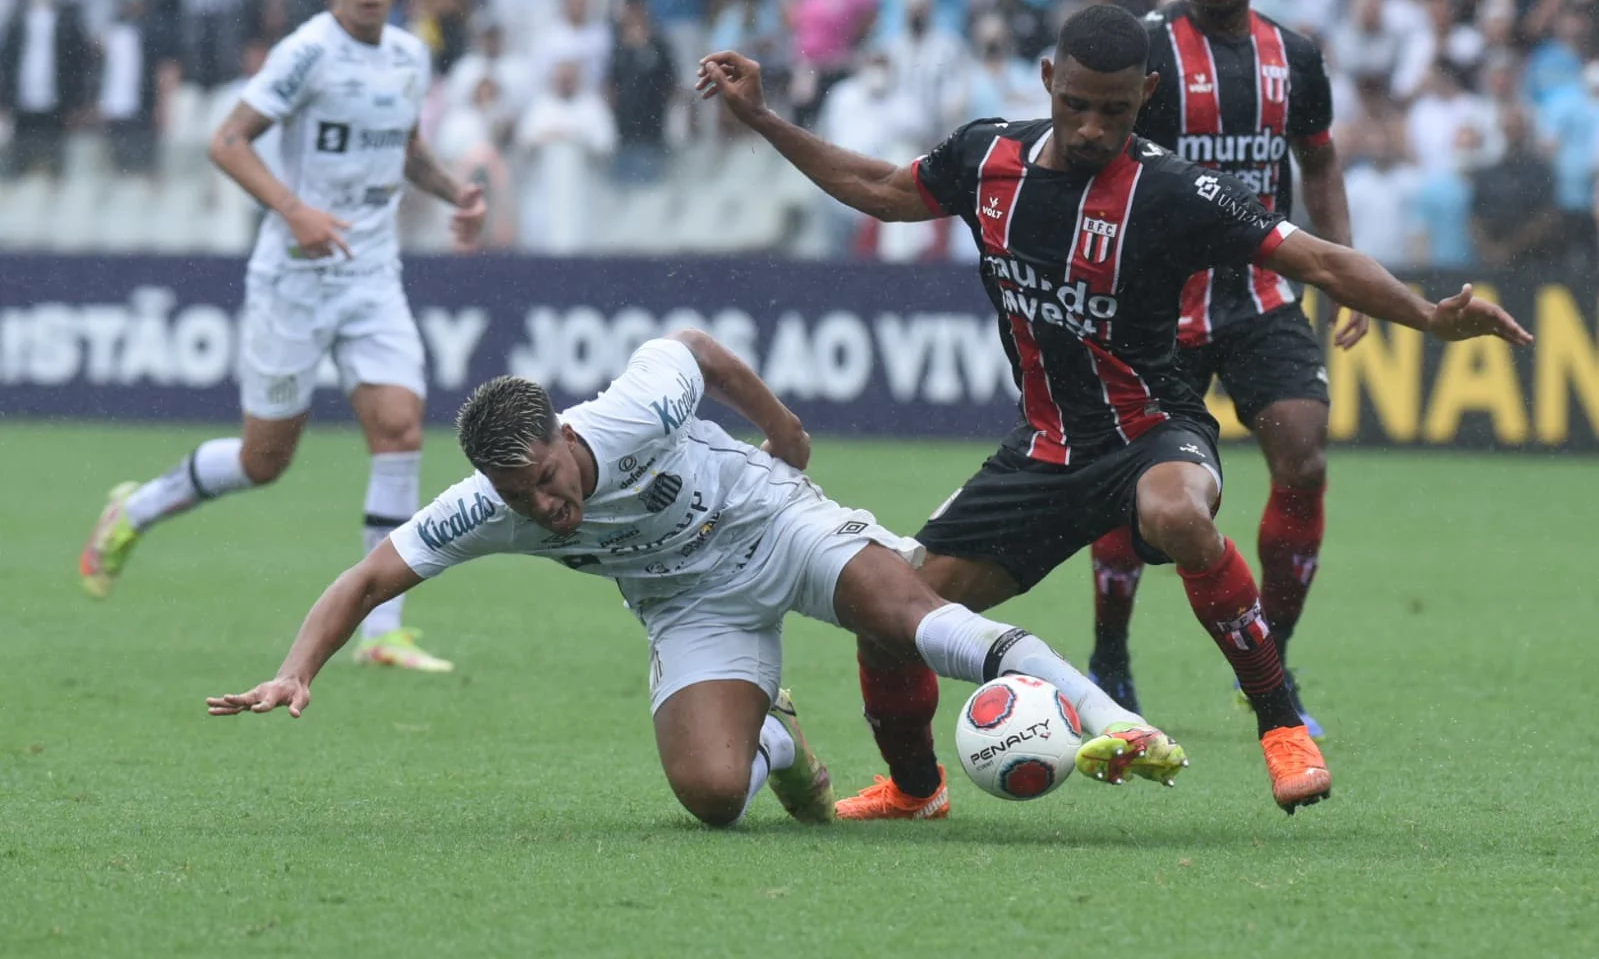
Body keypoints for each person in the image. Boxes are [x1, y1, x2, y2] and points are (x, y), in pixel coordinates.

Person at [697, 6, 1532, 818]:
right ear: (1047, 79)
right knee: (890, 614)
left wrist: (1424, 316)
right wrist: (765, 117)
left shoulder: (1176, 189)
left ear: (1146, 96)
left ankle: (1281, 727)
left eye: (1116, 109)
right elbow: (879, 188)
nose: (1094, 127)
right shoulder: (985, 157)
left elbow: (1314, 257)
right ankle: (914, 790)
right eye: (1077, 105)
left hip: (1151, 432)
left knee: (1174, 510)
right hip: (1045, 451)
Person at [206, 330, 1190, 828]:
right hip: (690, 606)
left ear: (562, 433)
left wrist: (785, 424)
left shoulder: (635, 406)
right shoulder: (486, 504)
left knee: (915, 614)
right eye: (521, 497)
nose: (545, 508)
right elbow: (368, 577)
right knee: (715, 796)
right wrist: (298, 668)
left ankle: (1115, 722)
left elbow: (699, 348)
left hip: (774, 523)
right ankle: (777, 734)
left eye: (546, 480)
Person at [78, 0, 487, 674]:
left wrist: (453, 190)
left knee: (399, 429)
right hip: (293, 280)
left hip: (370, 274)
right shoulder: (306, 53)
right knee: (266, 460)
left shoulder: (406, 56)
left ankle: (382, 633)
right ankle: (134, 509)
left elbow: (403, 147)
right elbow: (226, 141)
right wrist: (294, 210)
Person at [1087, 0, 1368, 736]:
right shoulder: (1143, 49)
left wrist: (1342, 270)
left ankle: (1267, 662)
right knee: (1132, 484)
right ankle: (1109, 656)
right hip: (1153, 303)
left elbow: (1317, 166)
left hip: (1257, 294)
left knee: (1304, 456)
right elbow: (1097, 155)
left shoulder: (1297, 57)